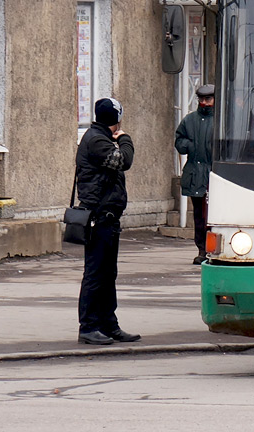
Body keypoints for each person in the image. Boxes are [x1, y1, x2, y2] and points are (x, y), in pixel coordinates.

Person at [75, 97, 140, 346]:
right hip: (99, 217)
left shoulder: (97, 137)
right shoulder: (97, 140)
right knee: (95, 273)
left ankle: (108, 325)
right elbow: (124, 161)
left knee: (107, 274)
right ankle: (89, 327)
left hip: (108, 218)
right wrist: (125, 138)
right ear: (116, 119)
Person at [175, 84, 215, 265]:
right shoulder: (190, 120)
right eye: (201, 99)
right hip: (195, 173)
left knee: (213, 216)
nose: (204, 103)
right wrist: (189, 146)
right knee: (199, 216)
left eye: (208, 99)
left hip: (214, 175)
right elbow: (179, 140)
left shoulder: (221, 120)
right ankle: (202, 250)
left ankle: (213, 249)